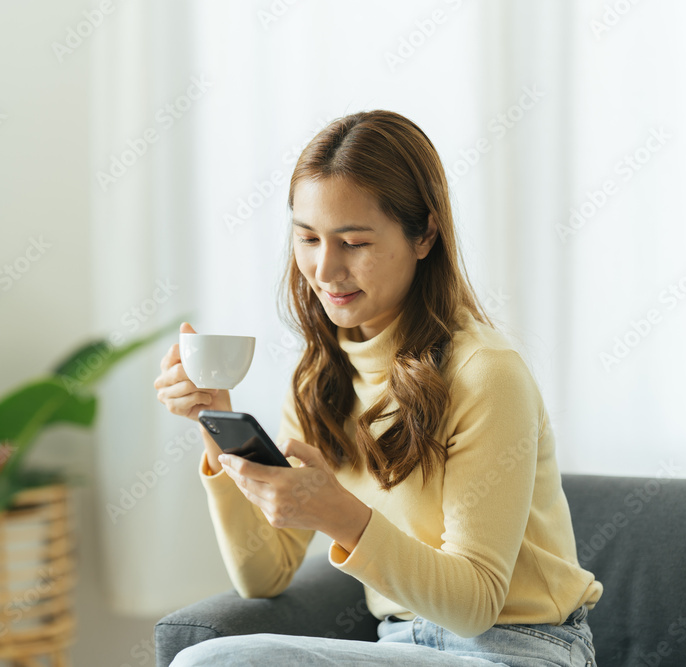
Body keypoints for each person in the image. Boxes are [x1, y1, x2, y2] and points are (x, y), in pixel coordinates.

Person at [153, 110, 602, 666]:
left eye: (354, 242)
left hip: (520, 650)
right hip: (401, 649)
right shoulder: (321, 379)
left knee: (214, 663)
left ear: (425, 235)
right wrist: (213, 422)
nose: (324, 268)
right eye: (308, 238)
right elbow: (262, 575)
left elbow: (475, 605)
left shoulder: (487, 373)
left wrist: (338, 514)